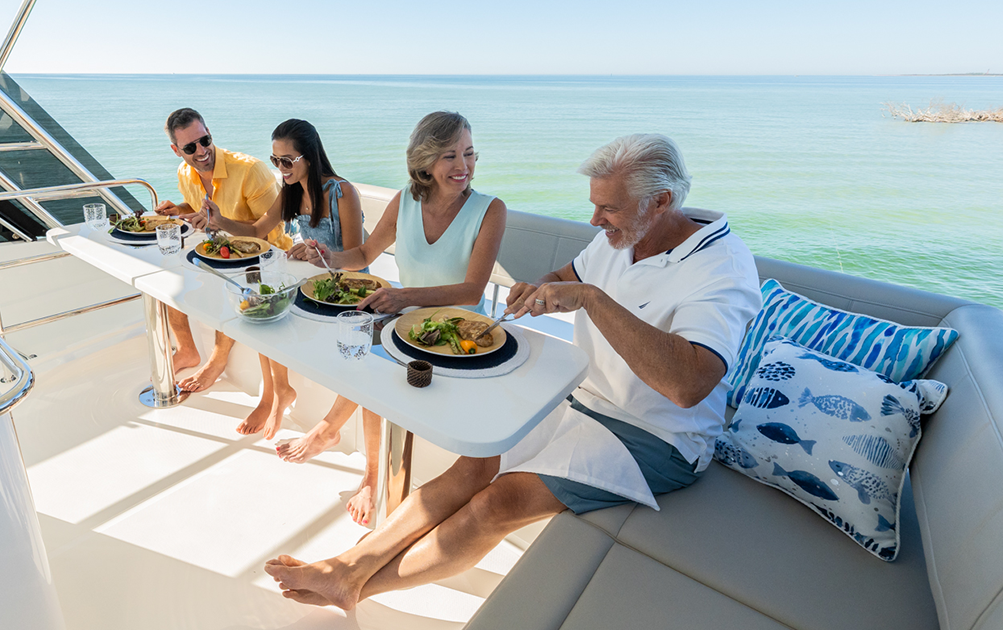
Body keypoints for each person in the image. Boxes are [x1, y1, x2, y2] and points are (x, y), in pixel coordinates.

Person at [263, 134, 762, 610]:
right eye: (595, 204)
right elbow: (568, 277)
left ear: (660, 201)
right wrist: (542, 289)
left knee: (497, 502)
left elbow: (690, 385)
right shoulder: (622, 236)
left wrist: (590, 298)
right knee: (472, 465)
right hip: (583, 399)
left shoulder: (722, 266)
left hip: (657, 436)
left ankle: (355, 587)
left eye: (608, 209)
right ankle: (346, 566)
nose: (595, 219)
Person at [280, 111, 508, 526]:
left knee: (376, 363)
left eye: (470, 154)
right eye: (449, 156)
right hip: (405, 324)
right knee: (360, 356)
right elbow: (364, 255)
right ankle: (371, 472)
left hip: (457, 337)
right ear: (424, 161)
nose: (463, 167)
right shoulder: (406, 200)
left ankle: (355, 456)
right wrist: (325, 256)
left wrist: (402, 297)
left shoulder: (490, 210)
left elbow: (472, 291)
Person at [200, 119, 366, 440]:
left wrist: (321, 255)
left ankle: (293, 405)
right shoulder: (291, 191)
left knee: (272, 309)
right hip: (313, 285)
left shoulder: (341, 192)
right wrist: (218, 218)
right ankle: (279, 392)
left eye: (287, 161)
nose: (281, 168)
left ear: (309, 157)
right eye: (276, 160)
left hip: (348, 291)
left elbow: (358, 259)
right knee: (263, 308)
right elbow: (256, 231)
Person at [154, 108, 293, 398]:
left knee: (231, 283)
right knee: (169, 276)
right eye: (191, 147)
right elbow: (199, 209)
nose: (202, 151)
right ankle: (187, 350)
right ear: (176, 150)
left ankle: (217, 359)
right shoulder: (185, 172)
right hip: (221, 250)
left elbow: (267, 231)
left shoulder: (250, 170)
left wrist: (220, 224)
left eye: (205, 140)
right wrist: (179, 210)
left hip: (266, 257)